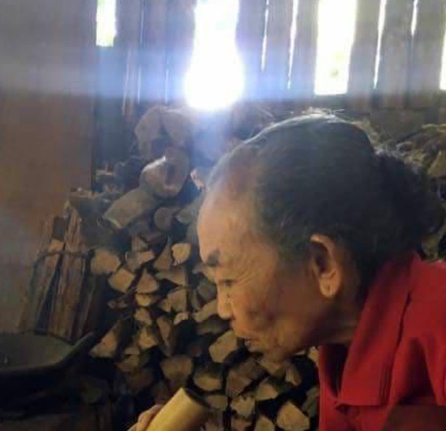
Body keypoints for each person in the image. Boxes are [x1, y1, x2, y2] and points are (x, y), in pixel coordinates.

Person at [131, 114, 446, 431]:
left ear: (322, 263)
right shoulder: (343, 354)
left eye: (228, 280)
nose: (223, 308)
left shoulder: (438, 327)